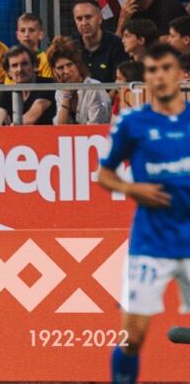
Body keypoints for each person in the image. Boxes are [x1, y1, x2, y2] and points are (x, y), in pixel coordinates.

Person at [96, 42, 190, 384]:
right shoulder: (132, 123)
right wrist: (133, 189)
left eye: (166, 69)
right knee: (132, 339)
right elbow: (104, 173)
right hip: (150, 241)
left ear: (179, 75)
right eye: (152, 70)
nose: (160, 76)